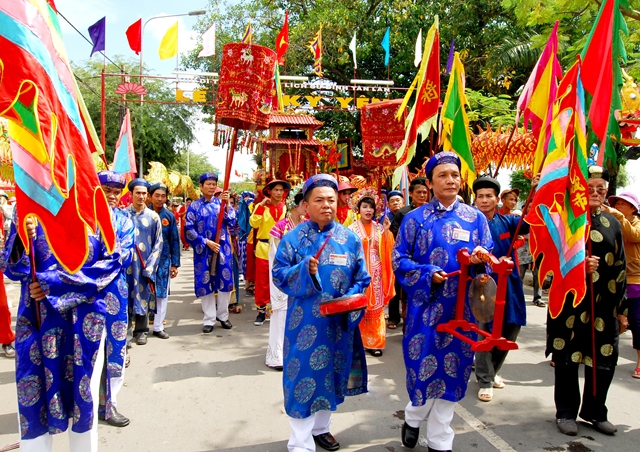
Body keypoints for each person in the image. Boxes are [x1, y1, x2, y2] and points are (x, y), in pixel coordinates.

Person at [393, 152, 493, 452]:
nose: (450, 180)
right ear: (431, 182)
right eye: (443, 175)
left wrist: (480, 260)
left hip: (463, 309)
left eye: (454, 174)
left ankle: (439, 441)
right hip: (427, 309)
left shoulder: (475, 218)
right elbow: (399, 260)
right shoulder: (415, 219)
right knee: (424, 369)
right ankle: (413, 416)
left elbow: (487, 255)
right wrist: (427, 273)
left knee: (453, 371)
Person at [1, 212, 127, 451]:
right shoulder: (27, 207)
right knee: (33, 400)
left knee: (84, 400)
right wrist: (21, 240)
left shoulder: (96, 209)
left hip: (84, 324)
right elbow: (12, 269)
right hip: (37, 320)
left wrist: (55, 284)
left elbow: (112, 262)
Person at [272, 174, 371, 452]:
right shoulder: (293, 238)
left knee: (331, 375)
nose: (326, 205)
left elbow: (362, 278)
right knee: (301, 378)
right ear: (305, 205)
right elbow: (278, 274)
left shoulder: (349, 238)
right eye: (319, 200)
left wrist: (349, 300)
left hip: (338, 324)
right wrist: (305, 269)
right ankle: (300, 443)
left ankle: (322, 429)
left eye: (331, 199)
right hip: (304, 323)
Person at [551, 166, 627, 437]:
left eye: (601, 189)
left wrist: (622, 309)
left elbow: (621, 267)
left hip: (604, 305)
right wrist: (578, 266)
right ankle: (566, 413)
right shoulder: (565, 221)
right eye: (589, 187)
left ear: (607, 192)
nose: (595, 193)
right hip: (570, 303)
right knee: (568, 359)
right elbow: (547, 263)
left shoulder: (613, 224)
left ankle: (595, 411)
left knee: (604, 359)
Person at [472, 176, 535, 402]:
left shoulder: (508, 222)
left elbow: (533, 222)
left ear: (497, 199)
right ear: (475, 199)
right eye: (480, 196)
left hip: (510, 282)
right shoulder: (470, 224)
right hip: (482, 283)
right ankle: (485, 379)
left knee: (511, 326)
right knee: (485, 328)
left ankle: (494, 370)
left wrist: (536, 191)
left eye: (489, 196)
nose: (485, 200)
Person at [96, 170, 135, 428]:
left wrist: (89, 273)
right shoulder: (84, 218)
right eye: (106, 190)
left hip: (114, 292)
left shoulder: (124, 221)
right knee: (85, 351)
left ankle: (109, 405)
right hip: (84, 297)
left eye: (115, 191)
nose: (111, 195)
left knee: (114, 349)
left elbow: (124, 255)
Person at [184, 173, 236, 333]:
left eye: (214, 184)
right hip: (203, 249)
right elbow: (188, 228)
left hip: (222, 248)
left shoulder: (221, 204)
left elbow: (232, 222)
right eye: (208, 184)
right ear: (201, 186)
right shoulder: (194, 206)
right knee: (205, 282)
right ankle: (209, 319)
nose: (212, 187)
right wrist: (205, 242)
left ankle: (223, 316)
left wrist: (227, 205)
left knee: (225, 282)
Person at [349, 190, 395, 356]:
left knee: (376, 308)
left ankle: (375, 342)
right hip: (358, 273)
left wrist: (388, 232)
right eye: (365, 206)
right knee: (359, 306)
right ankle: (359, 342)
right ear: (358, 208)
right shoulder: (351, 229)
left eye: (371, 207)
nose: (368, 210)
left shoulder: (380, 229)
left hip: (376, 272)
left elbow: (388, 249)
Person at [266, 191, 307, 370]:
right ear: (294, 205)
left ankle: (298, 354)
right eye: (304, 204)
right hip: (286, 275)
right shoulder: (280, 227)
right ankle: (277, 356)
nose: (307, 207)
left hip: (304, 276)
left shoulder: (308, 225)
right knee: (282, 315)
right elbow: (275, 255)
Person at [604, 191, 640, 379]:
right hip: (614, 277)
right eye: (616, 203)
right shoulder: (612, 221)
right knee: (612, 318)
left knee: (636, 321)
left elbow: (634, 236)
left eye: (622, 204)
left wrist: (617, 217)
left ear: (633, 208)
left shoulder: (636, 224)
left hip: (635, 280)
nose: (617, 206)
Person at [125, 178, 163, 346]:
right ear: (131, 194)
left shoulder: (154, 217)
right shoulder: (123, 215)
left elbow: (158, 243)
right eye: (137, 193)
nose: (141, 196)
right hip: (126, 265)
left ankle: (141, 331)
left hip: (144, 265)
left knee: (143, 295)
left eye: (143, 193)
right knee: (125, 296)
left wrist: (151, 265)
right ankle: (124, 333)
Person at [390, 177, 429, 332]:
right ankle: (407, 326)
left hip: (424, 260)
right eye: (418, 192)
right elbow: (395, 233)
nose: (422, 195)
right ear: (411, 194)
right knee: (404, 293)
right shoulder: (403, 213)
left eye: (425, 192)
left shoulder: (431, 211)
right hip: (407, 259)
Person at [250, 179, 290, 326]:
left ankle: (279, 309)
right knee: (262, 281)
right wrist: (260, 206)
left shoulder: (286, 208)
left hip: (281, 248)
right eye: (276, 190)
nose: (279, 193)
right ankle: (261, 311)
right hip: (264, 248)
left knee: (281, 278)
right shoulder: (261, 207)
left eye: (281, 190)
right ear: (269, 192)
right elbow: (253, 223)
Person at [148, 183, 181, 339]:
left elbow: (174, 240)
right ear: (150, 196)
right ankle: (139, 326)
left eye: (163, 196)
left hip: (163, 260)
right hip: (144, 261)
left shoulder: (169, 216)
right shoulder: (143, 213)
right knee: (144, 291)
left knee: (161, 294)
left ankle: (158, 326)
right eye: (157, 195)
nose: (160, 199)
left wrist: (175, 264)